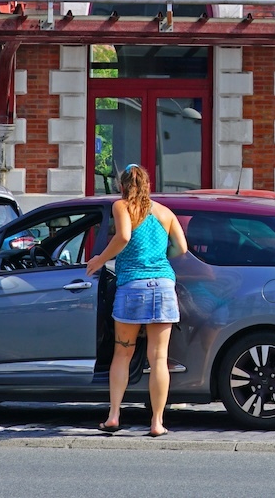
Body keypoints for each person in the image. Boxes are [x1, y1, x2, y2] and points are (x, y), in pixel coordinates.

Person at [85, 164, 189, 436]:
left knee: (123, 352)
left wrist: (100, 259)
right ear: (147, 185)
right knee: (159, 358)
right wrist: (159, 256)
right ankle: (157, 422)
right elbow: (182, 248)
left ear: (122, 186)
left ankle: (114, 415)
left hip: (133, 285)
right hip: (164, 286)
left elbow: (124, 236)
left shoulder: (122, 207)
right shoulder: (165, 213)